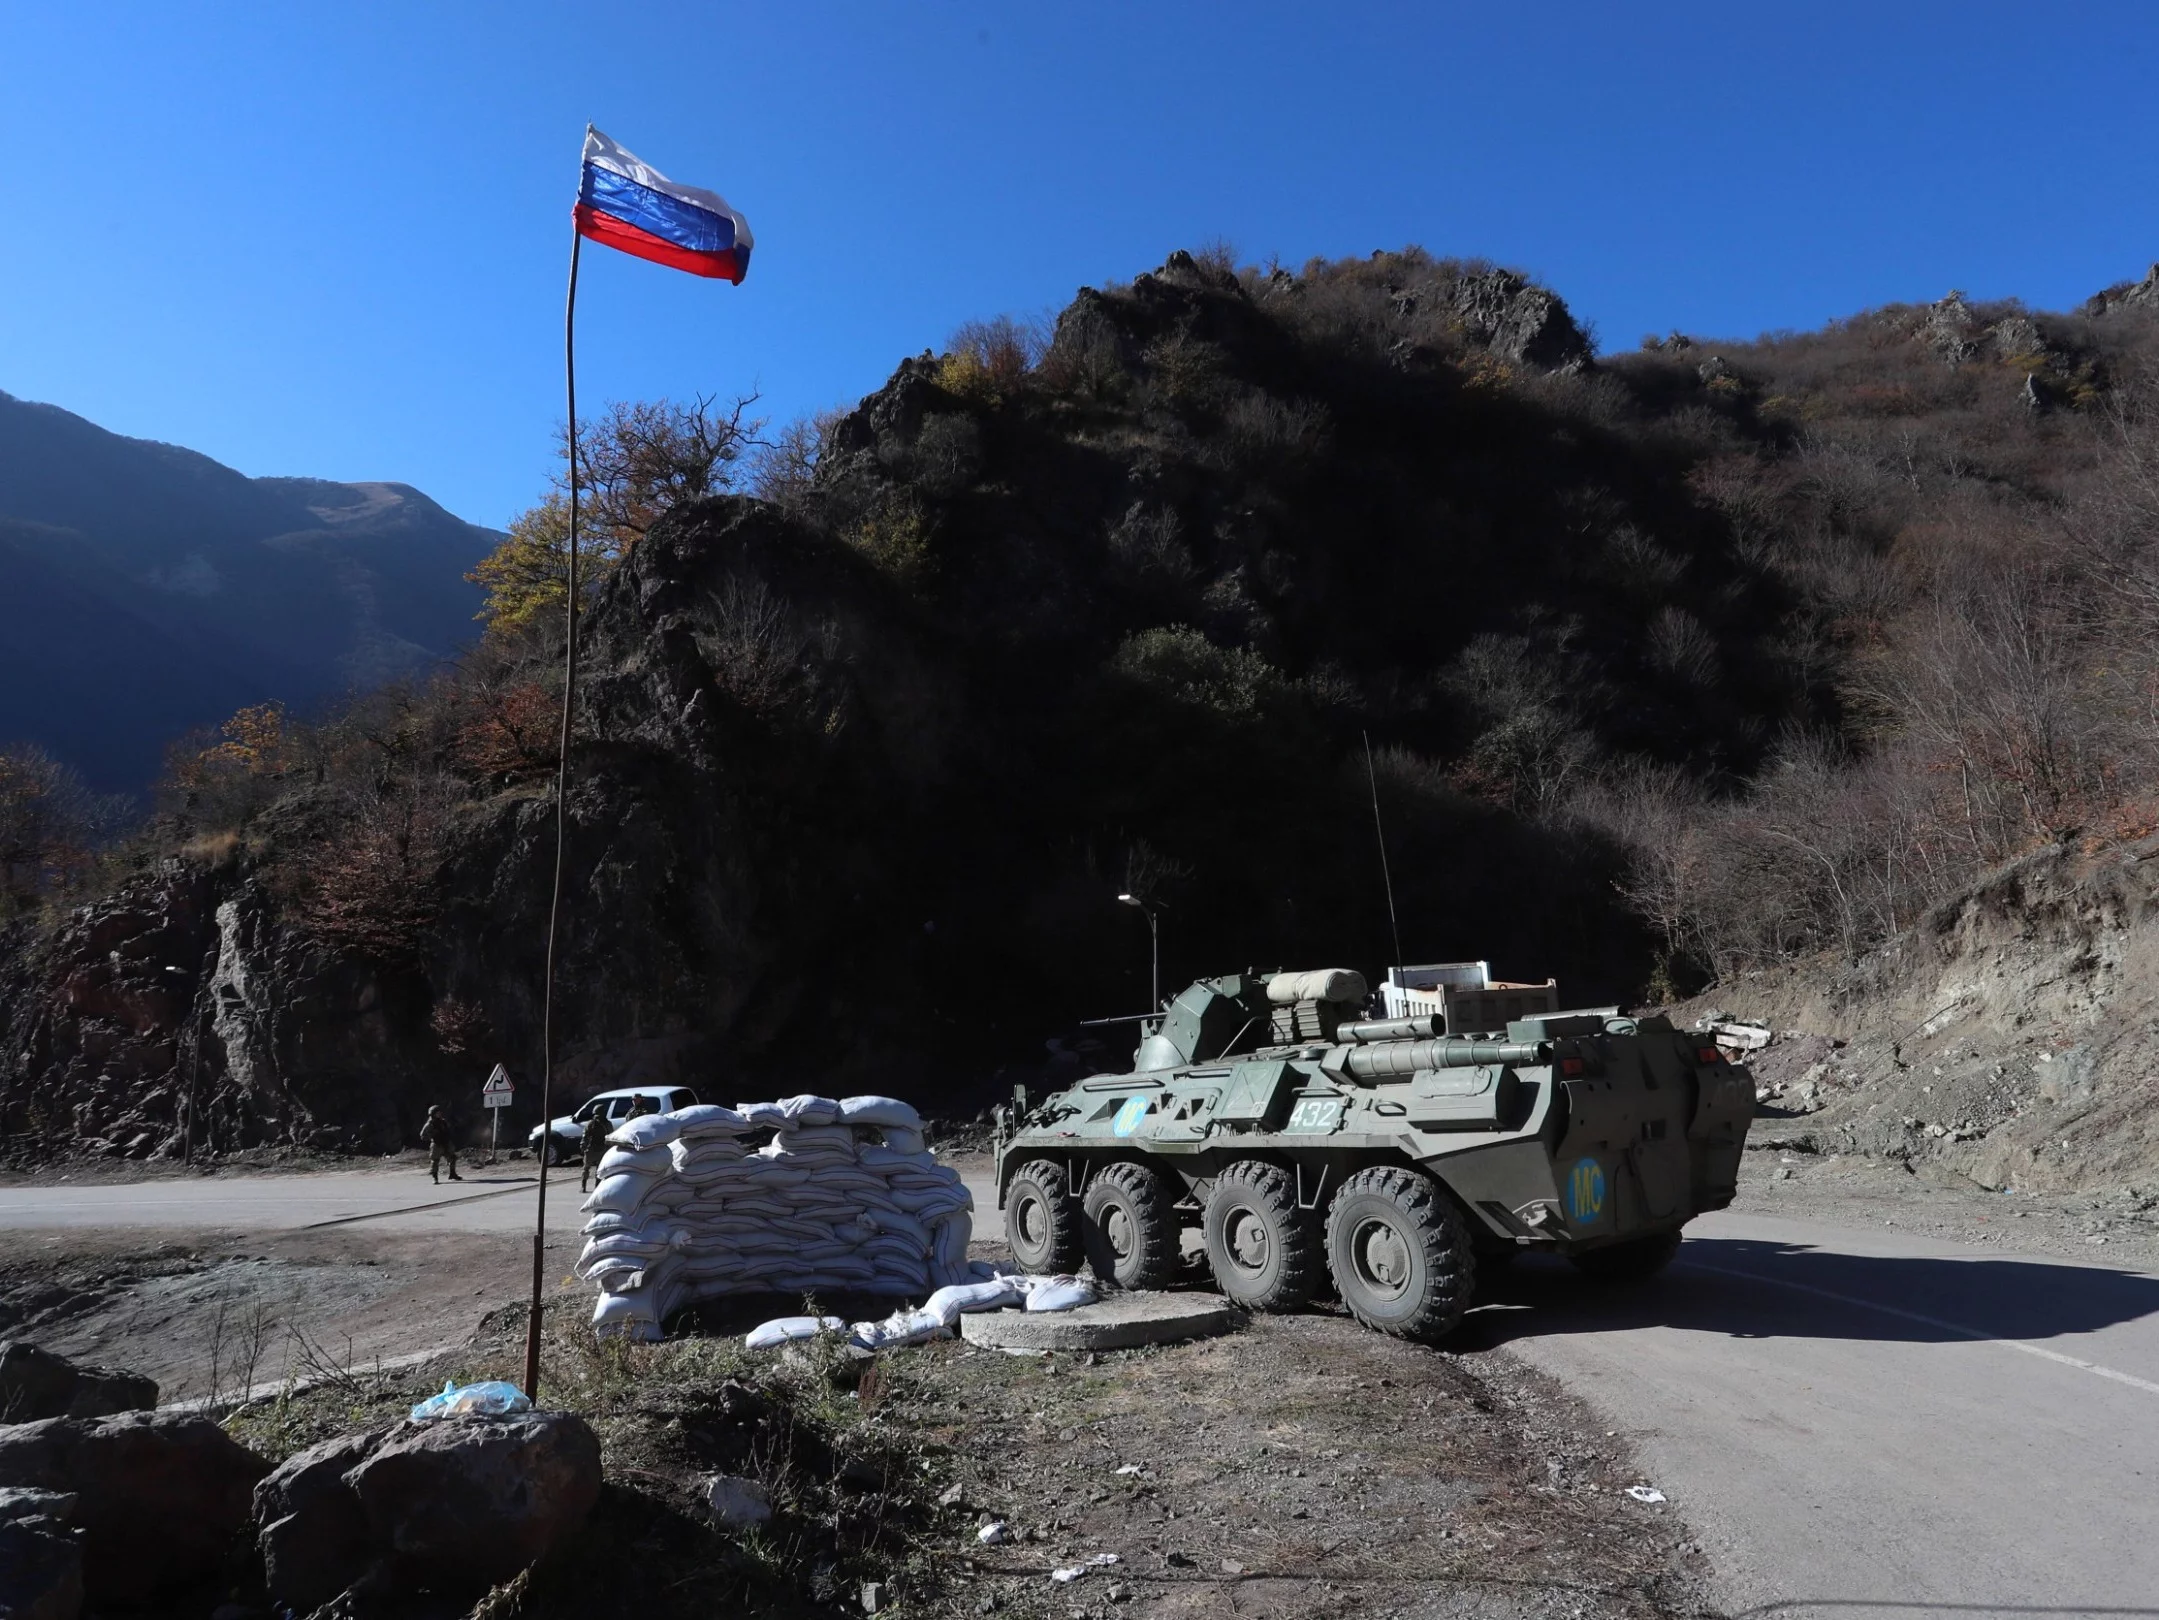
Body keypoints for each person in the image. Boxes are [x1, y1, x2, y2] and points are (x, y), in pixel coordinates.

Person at [422, 1104, 462, 1184]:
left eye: (440, 1112)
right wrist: (433, 1136)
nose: (439, 1114)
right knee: (435, 1161)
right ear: (433, 1114)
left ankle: (452, 1174)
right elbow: (423, 1135)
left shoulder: (443, 1122)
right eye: (437, 1113)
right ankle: (435, 1177)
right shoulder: (430, 1124)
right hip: (436, 1145)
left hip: (445, 1143)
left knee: (452, 1158)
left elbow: (448, 1130)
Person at [579, 1107, 608, 1193]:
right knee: (598, 1169)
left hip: (592, 1148)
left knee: (586, 1168)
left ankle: (584, 1187)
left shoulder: (591, 1123)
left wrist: (583, 1146)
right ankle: (595, 1187)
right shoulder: (606, 1123)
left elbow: (585, 1136)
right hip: (599, 1148)